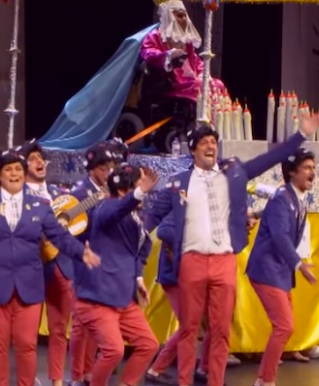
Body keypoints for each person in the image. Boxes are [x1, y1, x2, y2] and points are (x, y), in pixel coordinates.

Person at [144, 111, 319, 386]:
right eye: (204, 142)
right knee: (189, 329)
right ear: (193, 150)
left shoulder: (235, 171)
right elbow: (151, 218)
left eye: (213, 142)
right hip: (191, 259)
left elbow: (271, 159)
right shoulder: (178, 182)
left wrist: (301, 134)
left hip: (223, 261)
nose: (210, 146)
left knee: (220, 330)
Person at [0, 150, 102, 386]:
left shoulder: (40, 206)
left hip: (29, 284)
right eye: (8, 169)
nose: (14, 173)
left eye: (17, 169)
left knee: (27, 344)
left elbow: (59, 236)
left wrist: (80, 252)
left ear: (24, 174)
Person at [73, 164, 160, 386]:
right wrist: (138, 193)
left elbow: (135, 253)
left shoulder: (135, 217)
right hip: (99, 297)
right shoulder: (106, 208)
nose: (145, 193)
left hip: (123, 296)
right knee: (114, 350)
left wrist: (138, 278)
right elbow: (116, 210)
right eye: (139, 185)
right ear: (124, 190)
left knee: (149, 344)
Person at [246, 148, 319, 386]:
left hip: (278, 271)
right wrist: (298, 264)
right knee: (285, 325)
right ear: (292, 172)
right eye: (307, 168)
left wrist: (255, 213)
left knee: (285, 326)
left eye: (313, 167)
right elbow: (280, 237)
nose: (313, 172)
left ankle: (265, 379)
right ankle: (265, 380)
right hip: (267, 270)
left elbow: (274, 218)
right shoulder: (282, 198)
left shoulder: (293, 198)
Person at [19, 139, 72, 386]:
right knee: (26, 333)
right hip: (32, 268)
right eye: (32, 159)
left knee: (59, 329)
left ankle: (57, 380)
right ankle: (27, 379)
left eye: (40, 158)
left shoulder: (58, 194)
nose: (39, 162)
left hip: (61, 266)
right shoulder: (17, 196)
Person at [139, 0, 227, 121]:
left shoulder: (186, 42)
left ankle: (221, 123)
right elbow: (148, 53)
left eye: (185, 15)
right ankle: (204, 122)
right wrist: (169, 55)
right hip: (171, 83)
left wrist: (203, 74)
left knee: (217, 84)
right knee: (199, 87)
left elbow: (196, 62)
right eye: (180, 15)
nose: (185, 19)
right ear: (169, 16)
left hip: (190, 80)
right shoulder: (155, 36)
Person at [69, 142, 117, 385]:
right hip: (83, 262)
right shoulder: (80, 191)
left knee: (97, 323)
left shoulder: (110, 189)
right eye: (102, 168)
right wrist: (98, 198)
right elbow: (68, 218)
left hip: (104, 263)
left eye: (110, 168)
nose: (107, 173)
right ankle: (77, 375)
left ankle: (89, 371)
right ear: (91, 168)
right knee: (81, 325)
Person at [146, 211, 212, 385]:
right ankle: (157, 369)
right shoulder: (185, 205)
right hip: (174, 276)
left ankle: (203, 368)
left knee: (206, 321)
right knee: (189, 325)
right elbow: (164, 231)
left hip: (189, 275)